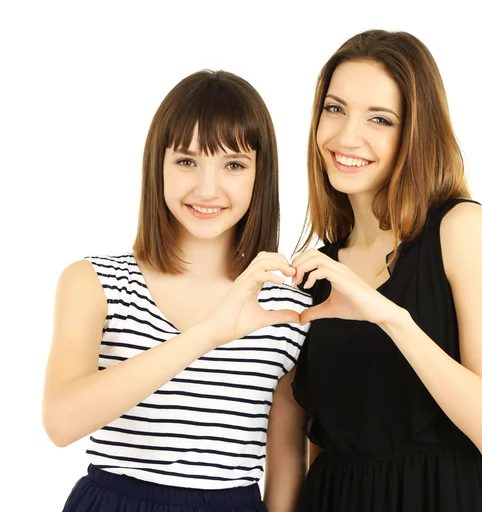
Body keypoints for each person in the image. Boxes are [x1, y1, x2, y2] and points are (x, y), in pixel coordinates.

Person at [42, 69, 311, 512]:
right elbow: (61, 423)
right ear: (157, 166)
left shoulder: (285, 307)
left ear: (260, 176)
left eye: (234, 165)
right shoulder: (95, 283)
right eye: (187, 161)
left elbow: (285, 459)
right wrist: (208, 334)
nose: (208, 188)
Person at [290, 29, 482, 511]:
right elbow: (315, 442)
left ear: (414, 134)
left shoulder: (461, 228)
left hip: (446, 496)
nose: (346, 137)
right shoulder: (321, 270)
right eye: (335, 109)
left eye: (379, 119)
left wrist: (390, 317)